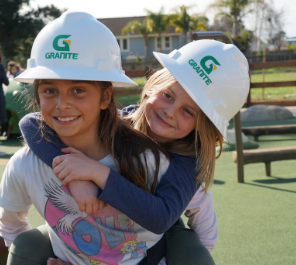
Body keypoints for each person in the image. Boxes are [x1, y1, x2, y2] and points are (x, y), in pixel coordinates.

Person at [18, 39, 250, 265]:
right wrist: (72, 174)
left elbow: (167, 220)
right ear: (152, 87)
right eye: (168, 95)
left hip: (153, 243)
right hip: (103, 231)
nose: (170, 112)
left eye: (188, 111)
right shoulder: (121, 121)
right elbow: (31, 122)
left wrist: (97, 173)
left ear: (204, 125)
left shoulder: (187, 162)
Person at [0, 11, 179, 265]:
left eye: (78, 90)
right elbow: (11, 226)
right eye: (50, 90)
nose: (62, 104)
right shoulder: (24, 165)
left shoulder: (147, 158)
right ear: (37, 96)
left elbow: (196, 213)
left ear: (106, 97)